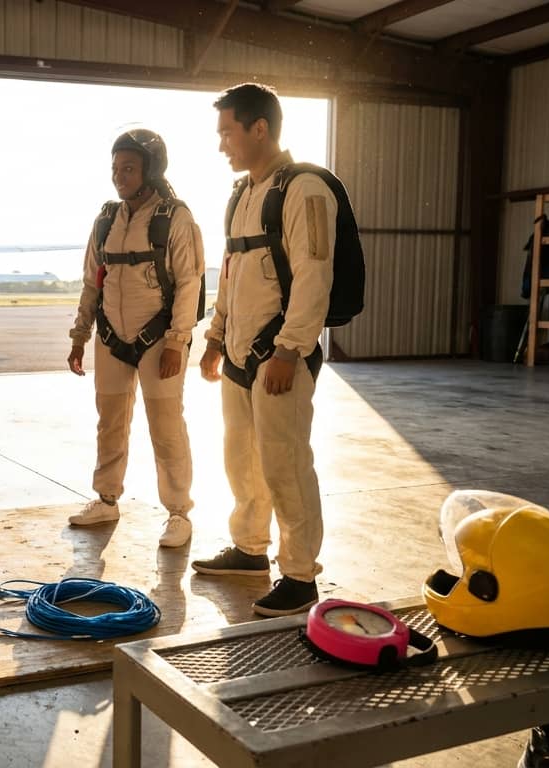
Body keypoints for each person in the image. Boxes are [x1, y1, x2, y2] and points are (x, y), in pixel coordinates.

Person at [191, 83, 334, 617]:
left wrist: (290, 350)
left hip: (279, 357)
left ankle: (299, 576)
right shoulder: (241, 195)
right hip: (236, 355)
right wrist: (214, 339)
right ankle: (251, 550)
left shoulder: (304, 190)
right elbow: (230, 274)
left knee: (286, 465)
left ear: (259, 128)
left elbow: (315, 277)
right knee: (241, 461)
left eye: (228, 132)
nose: (222, 144)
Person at [66, 128, 204, 548]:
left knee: (166, 427)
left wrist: (178, 342)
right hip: (110, 336)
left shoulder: (174, 217)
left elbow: (190, 283)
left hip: (158, 339)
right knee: (109, 422)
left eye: (128, 168)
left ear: (150, 169)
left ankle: (179, 513)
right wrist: (80, 335)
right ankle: (106, 498)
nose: (119, 176)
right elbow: (92, 282)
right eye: (114, 168)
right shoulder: (106, 218)